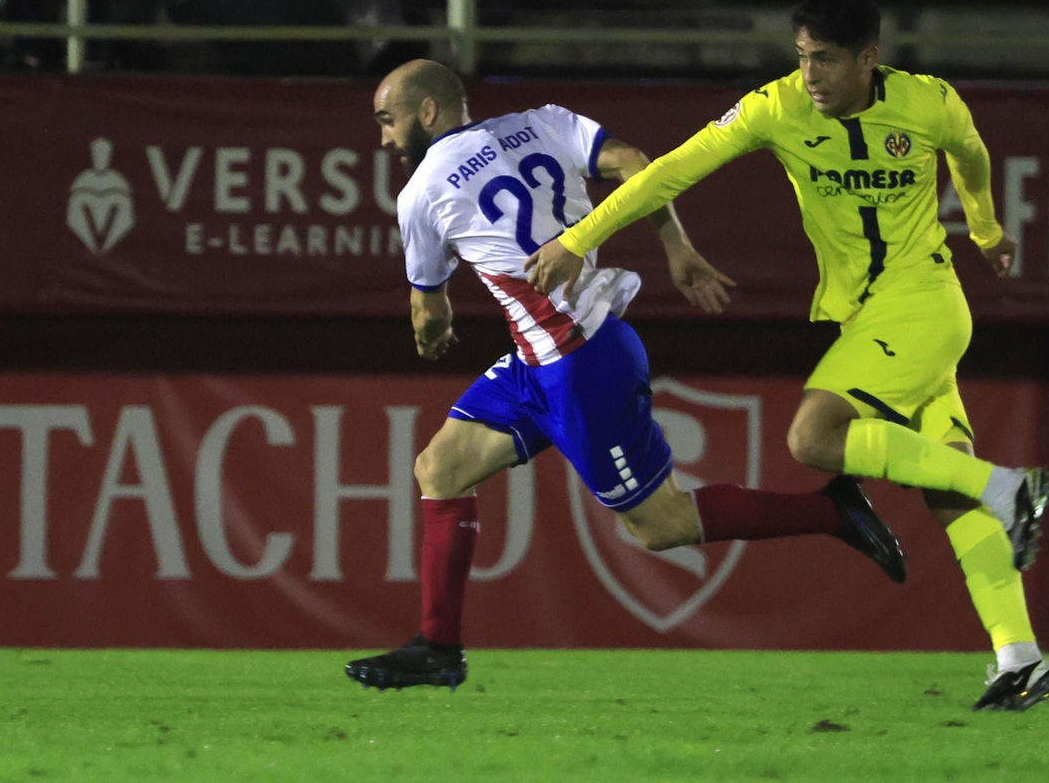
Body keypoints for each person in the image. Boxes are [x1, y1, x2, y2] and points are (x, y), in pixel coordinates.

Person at [525, 0, 1049, 712]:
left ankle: (1010, 487)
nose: (811, 75)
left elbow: (971, 154)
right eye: (804, 57)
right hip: (874, 317)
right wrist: (578, 238)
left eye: (828, 61)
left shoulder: (929, 104)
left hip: (922, 305)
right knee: (946, 484)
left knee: (814, 436)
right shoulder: (774, 108)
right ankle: (1019, 657)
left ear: (869, 59)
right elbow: (670, 170)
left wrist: (987, 229)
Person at [345, 59, 908, 693]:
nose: (386, 138)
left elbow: (428, 309)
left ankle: (832, 512)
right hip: (546, 359)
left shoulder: (420, 193)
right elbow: (637, 161)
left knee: (659, 525)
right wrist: (675, 246)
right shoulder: (541, 123)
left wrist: (432, 335)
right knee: (440, 469)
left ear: (426, 113)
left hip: (579, 361)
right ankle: (438, 647)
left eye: (388, 121)